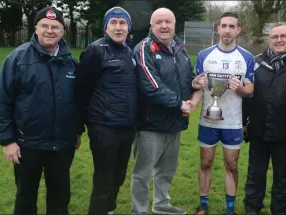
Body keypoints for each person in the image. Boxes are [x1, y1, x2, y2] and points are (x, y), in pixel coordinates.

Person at [0, 6, 83, 215]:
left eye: (55, 27)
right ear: (36, 28)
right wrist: (7, 141)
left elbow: (75, 100)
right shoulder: (18, 58)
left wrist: (76, 131)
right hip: (26, 145)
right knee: (25, 198)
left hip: (62, 145)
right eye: (45, 26)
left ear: (62, 31)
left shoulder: (70, 61)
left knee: (60, 198)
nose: (50, 31)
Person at [130, 8, 202, 215]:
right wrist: (180, 104)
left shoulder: (180, 48)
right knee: (142, 173)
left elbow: (185, 78)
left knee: (167, 170)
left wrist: (194, 82)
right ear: (151, 26)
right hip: (150, 124)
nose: (164, 26)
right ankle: (139, 211)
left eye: (168, 22)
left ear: (174, 24)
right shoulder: (144, 48)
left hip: (175, 123)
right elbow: (151, 86)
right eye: (159, 22)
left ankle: (161, 205)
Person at [241, 22, 286, 215]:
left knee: (283, 176)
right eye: (274, 37)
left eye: (283, 36)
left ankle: (280, 209)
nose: (279, 40)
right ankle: (252, 208)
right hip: (258, 130)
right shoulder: (254, 62)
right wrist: (243, 123)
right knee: (255, 174)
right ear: (268, 39)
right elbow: (247, 96)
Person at [191, 12, 255, 215]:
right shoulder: (204, 55)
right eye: (223, 26)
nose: (227, 30)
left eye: (231, 27)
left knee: (231, 165)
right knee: (205, 162)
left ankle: (229, 209)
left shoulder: (246, 57)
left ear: (238, 30)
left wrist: (239, 88)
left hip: (233, 122)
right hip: (208, 120)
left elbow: (250, 91)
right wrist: (192, 103)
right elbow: (199, 86)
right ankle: (203, 206)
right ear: (218, 28)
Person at [74, 7, 136, 215]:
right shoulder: (95, 51)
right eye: (113, 22)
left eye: (122, 23)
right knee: (104, 179)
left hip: (126, 127)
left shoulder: (130, 52)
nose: (118, 27)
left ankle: (109, 210)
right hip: (103, 126)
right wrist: (86, 124)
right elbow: (82, 90)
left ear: (128, 27)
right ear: (105, 27)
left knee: (118, 177)